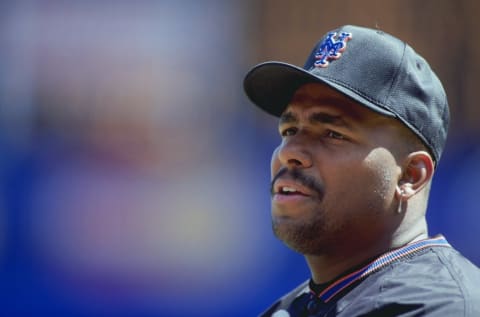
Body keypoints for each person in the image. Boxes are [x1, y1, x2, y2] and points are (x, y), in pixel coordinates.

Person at [243, 25, 480, 317]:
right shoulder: (288, 310)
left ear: (410, 175)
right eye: (290, 130)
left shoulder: (443, 307)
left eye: (332, 133)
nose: (290, 152)